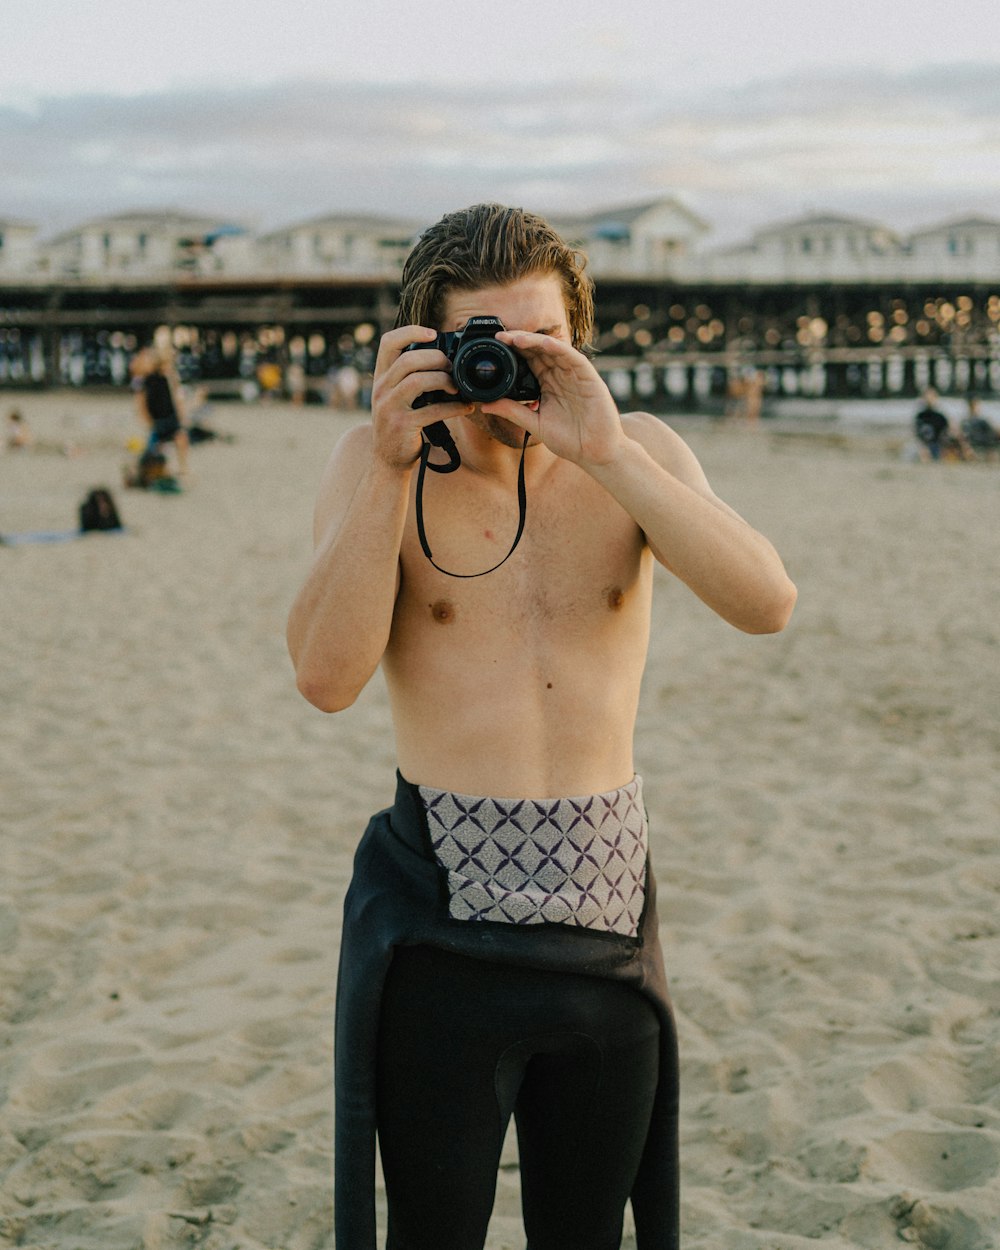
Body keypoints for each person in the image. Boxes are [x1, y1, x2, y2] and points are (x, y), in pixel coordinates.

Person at [286, 203, 797, 1250]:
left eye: (544, 343)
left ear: (578, 342)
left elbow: (765, 601)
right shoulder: (372, 461)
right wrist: (386, 466)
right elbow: (325, 679)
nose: (514, 368)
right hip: (438, 933)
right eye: (489, 343)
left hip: (603, 925)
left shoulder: (637, 453)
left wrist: (607, 451)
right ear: (428, 348)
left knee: (587, 1232)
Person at [131, 347, 190, 476]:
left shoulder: (167, 377)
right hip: (157, 419)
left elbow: (176, 396)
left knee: (180, 439)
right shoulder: (144, 380)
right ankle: (154, 470)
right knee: (155, 448)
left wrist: (180, 414)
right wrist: (145, 418)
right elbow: (141, 402)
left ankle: (182, 468)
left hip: (170, 416)